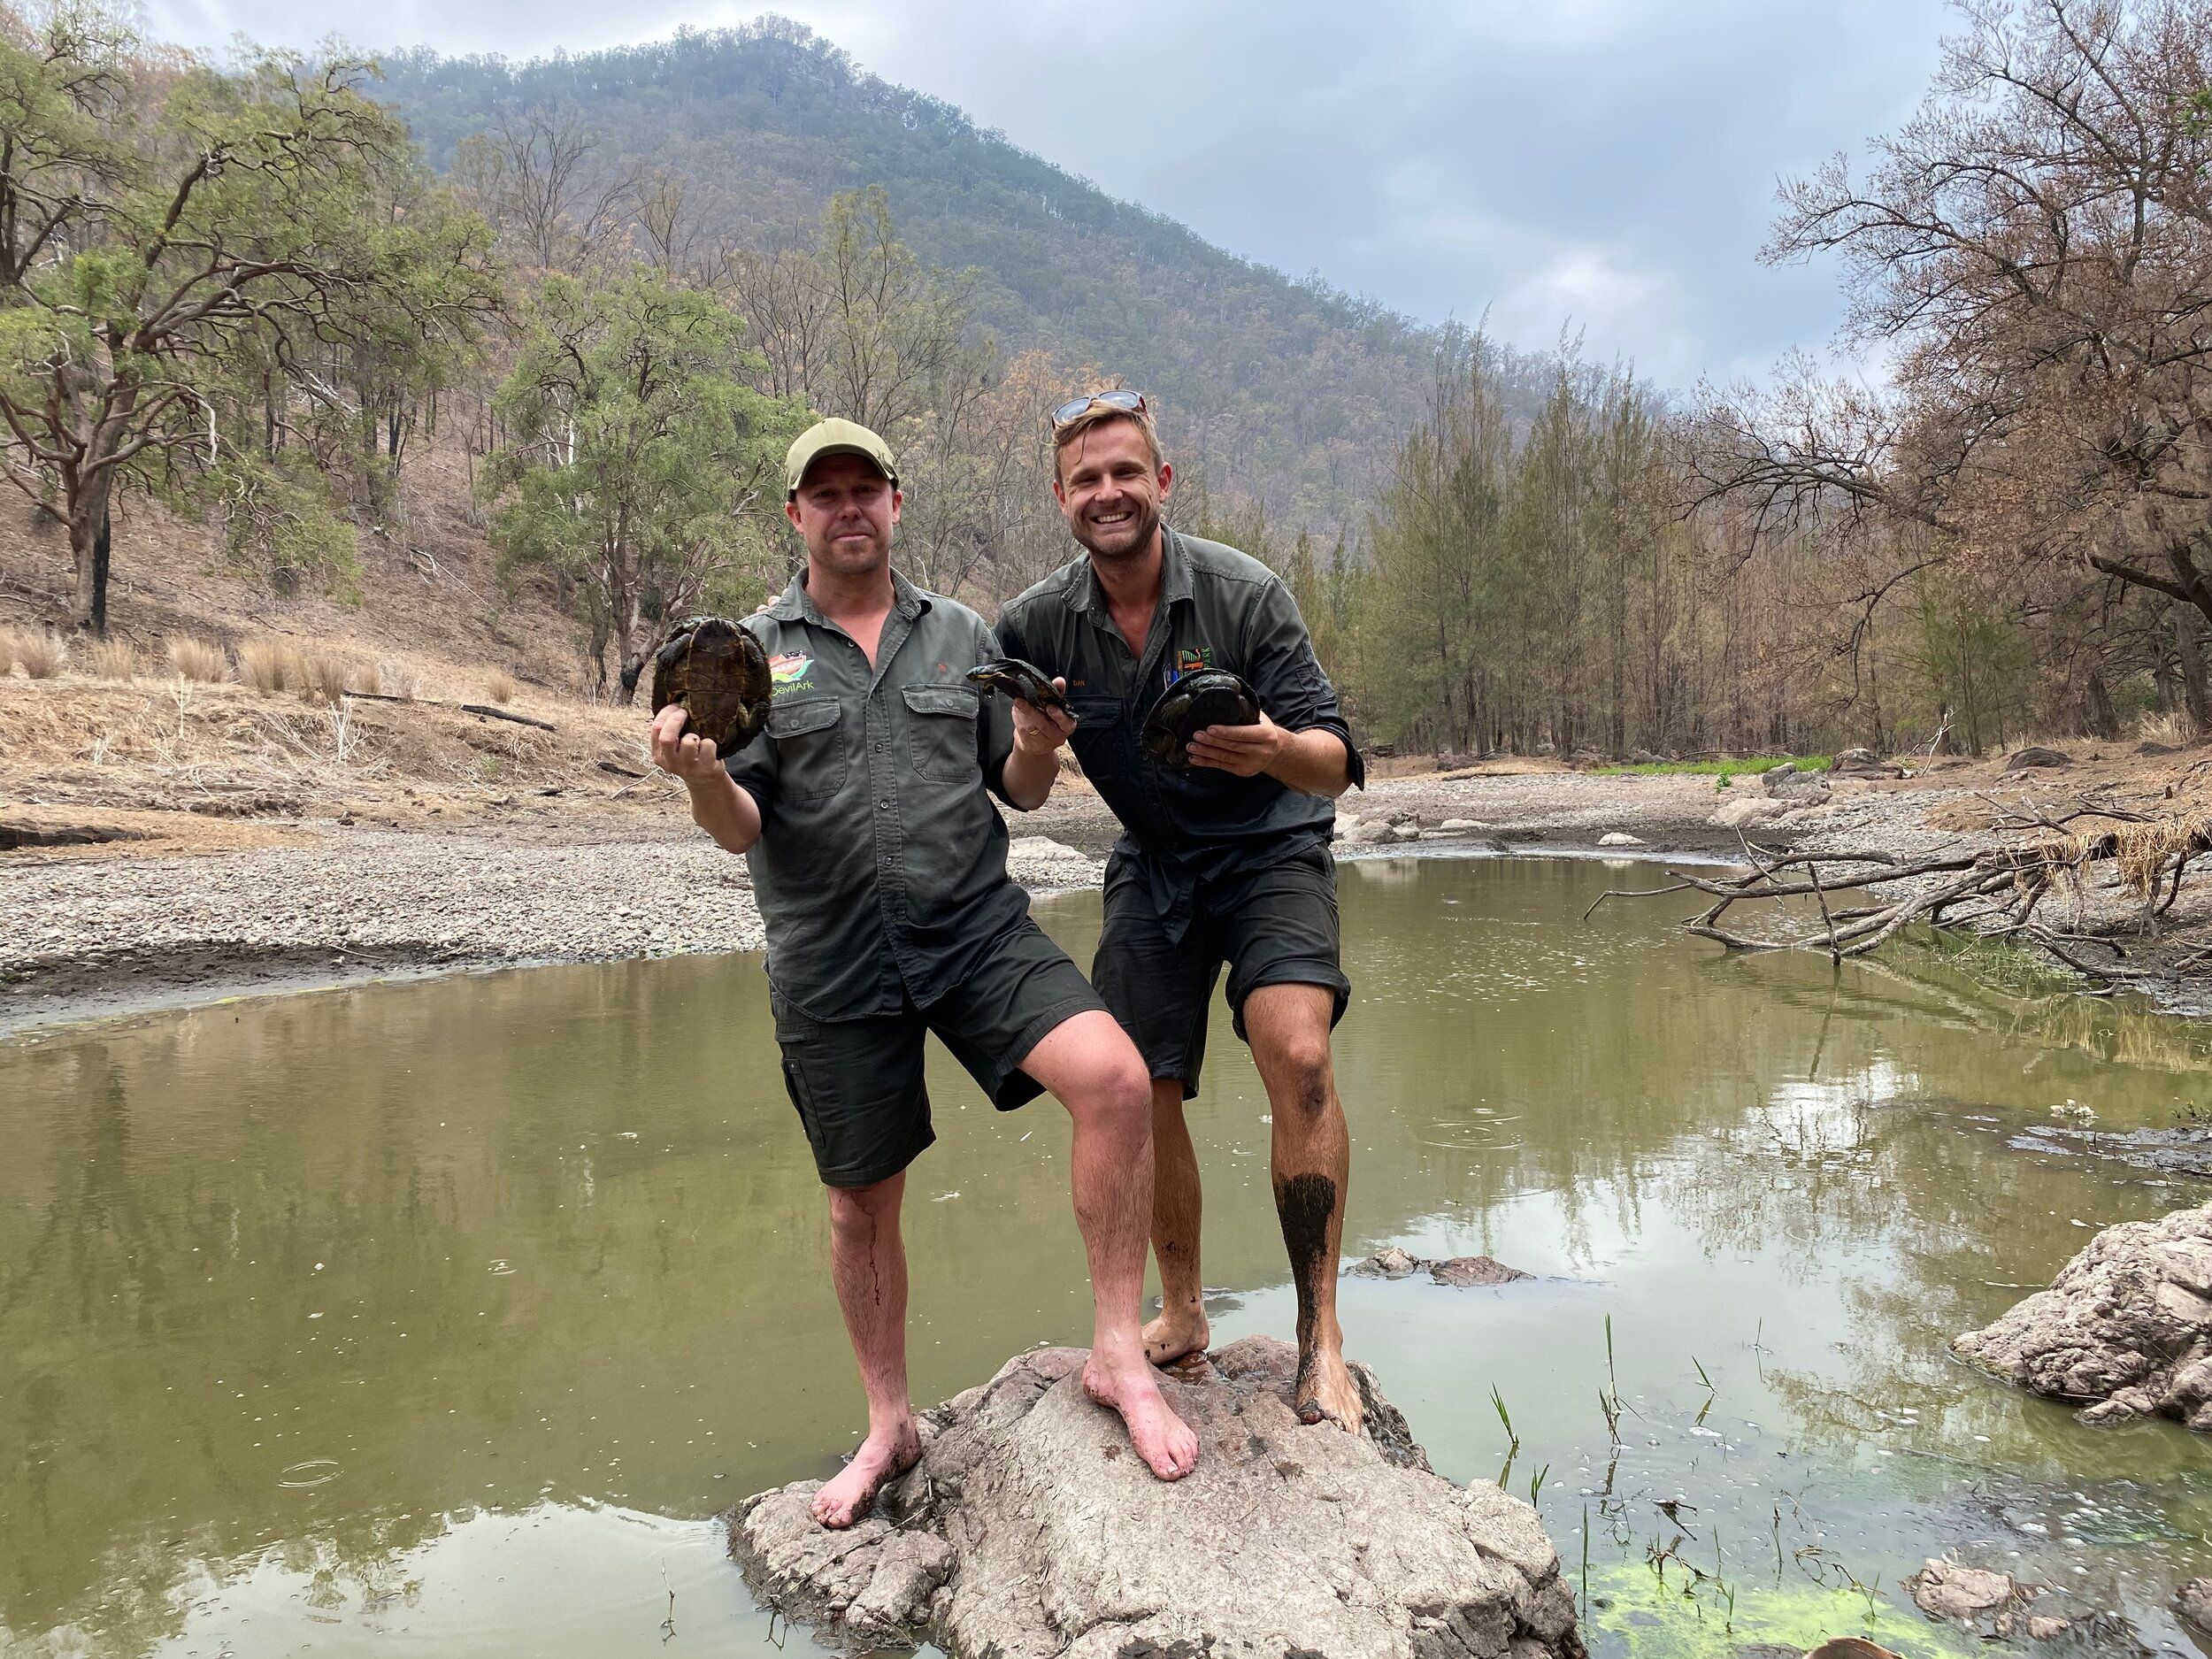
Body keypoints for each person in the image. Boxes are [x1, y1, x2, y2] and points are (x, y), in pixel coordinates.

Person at [648, 417, 1198, 1527]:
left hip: (974, 932)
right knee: (861, 1205)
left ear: (896, 504)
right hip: (831, 953)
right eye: (826, 494)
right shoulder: (750, 655)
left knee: (1116, 1081)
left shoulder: (960, 636)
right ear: (796, 515)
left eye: (867, 490)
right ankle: (889, 1424)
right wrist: (697, 777)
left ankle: (1115, 1355)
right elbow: (738, 827)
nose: (849, 509)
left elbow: (1022, 785)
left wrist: (1042, 740)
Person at [993, 391, 1368, 1432]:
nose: (1106, 492)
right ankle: (1186, 1311)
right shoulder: (1036, 623)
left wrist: (1271, 747)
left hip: (1269, 851)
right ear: (1062, 498)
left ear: (1161, 482)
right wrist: (1034, 740)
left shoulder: (1246, 595)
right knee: (1134, 1082)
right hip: (1152, 865)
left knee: (1296, 1055)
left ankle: (1320, 1340)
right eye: (1085, 479)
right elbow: (1021, 791)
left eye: (1125, 472)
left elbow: (1336, 762)